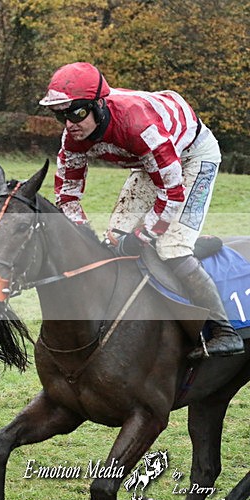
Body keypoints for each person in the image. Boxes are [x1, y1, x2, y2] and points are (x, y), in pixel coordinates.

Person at [38, 62, 243, 359]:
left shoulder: (138, 125)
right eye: (61, 115)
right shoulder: (73, 138)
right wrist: (83, 236)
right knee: (115, 239)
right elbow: (68, 197)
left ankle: (224, 329)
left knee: (171, 246)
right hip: (151, 164)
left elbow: (173, 193)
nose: (70, 123)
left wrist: (145, 234)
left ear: (98, 106)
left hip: (192, 156)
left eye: (77, 112)